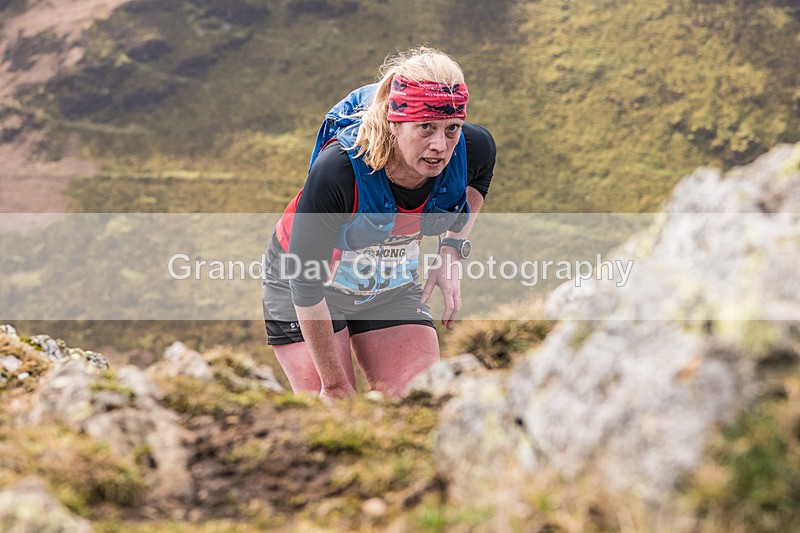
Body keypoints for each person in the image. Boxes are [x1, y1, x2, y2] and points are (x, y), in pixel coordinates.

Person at [262, 46, 496, 399]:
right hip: (307, 287)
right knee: (337, 413)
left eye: (452, 129)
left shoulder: (473, 147)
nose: (439, 146)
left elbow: (479, 179)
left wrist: (450, 250)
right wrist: (335, 385)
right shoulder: (339, 170)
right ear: (394, 121)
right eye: (425, 128)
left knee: (417, 402)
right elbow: (305, 285)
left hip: (390, 282)